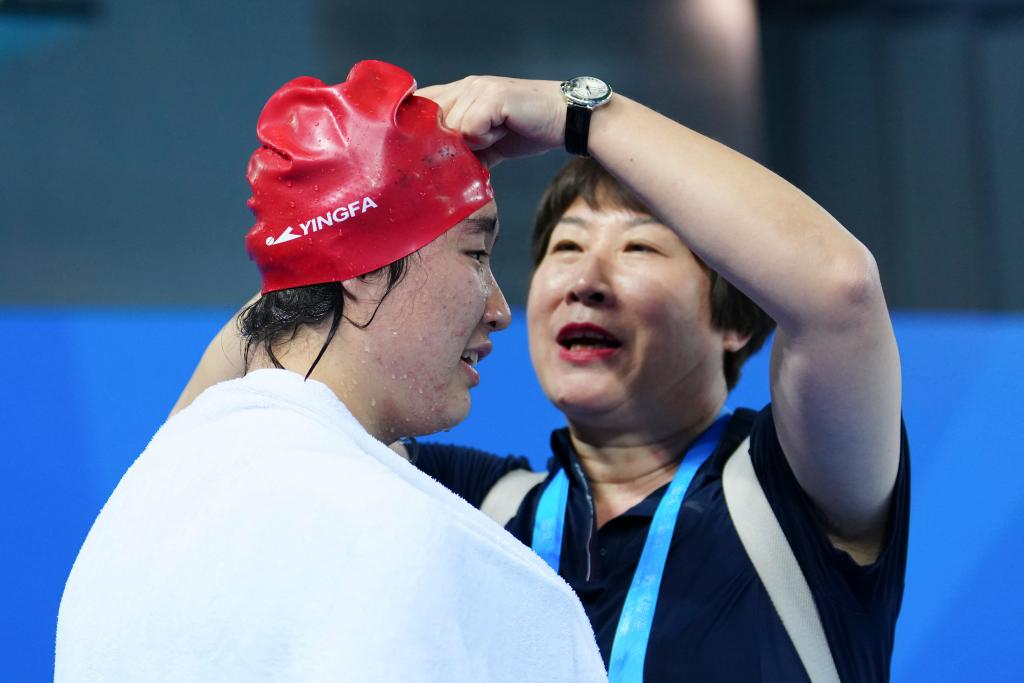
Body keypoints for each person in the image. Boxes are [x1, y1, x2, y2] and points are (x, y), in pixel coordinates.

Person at [178, 73, 909, 682]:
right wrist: (360, 201)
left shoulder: (795, 495)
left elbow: (839, 290)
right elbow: (214, 445)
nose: (585, 280)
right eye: (566, 247)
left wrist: (579, 113)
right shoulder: (453, 505)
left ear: (738, 317)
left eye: (639, 249)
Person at [54, 61, 607, 683]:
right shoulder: (405, 542)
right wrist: (588, 115)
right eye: (477, 253)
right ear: (364, 271)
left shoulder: (134, 519)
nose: (501, 310)